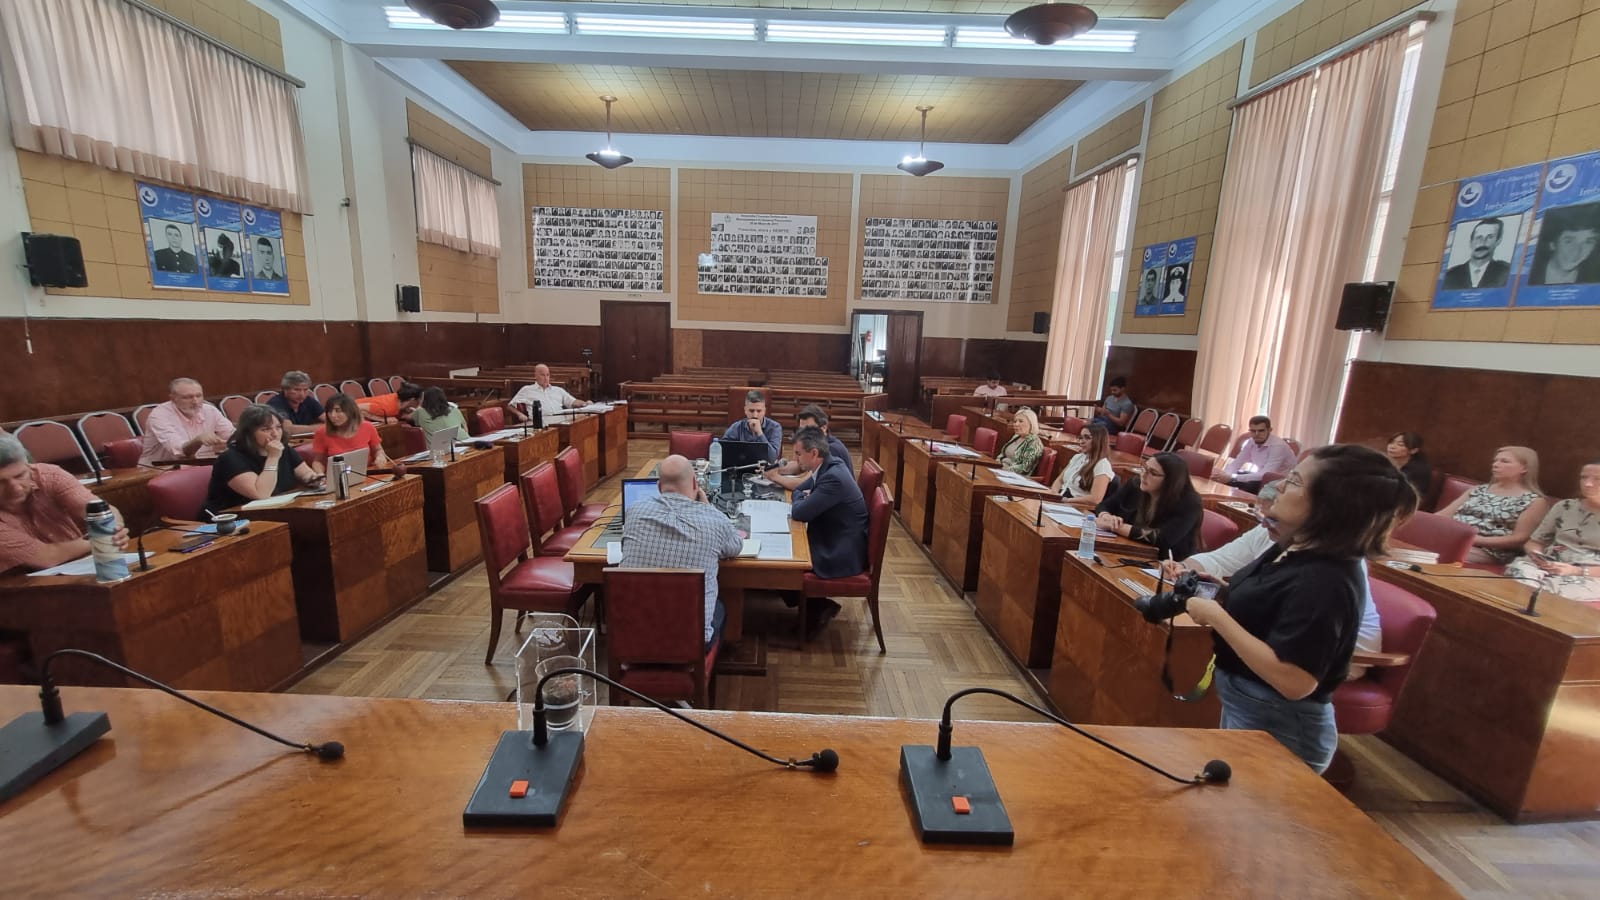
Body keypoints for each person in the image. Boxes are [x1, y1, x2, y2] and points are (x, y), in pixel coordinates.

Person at [1183, 445, 1418, 773]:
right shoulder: (1293, 545)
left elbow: (1294, 681)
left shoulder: (1328, 578)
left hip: (1283, 729)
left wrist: (1215, 616)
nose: (1279, 486)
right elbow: (1275, 605)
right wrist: (1223, 592)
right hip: (1247, 708)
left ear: (1329, 503)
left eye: (1294, 481)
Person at [1160, 481, 1383, 680]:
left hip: (1336, 661)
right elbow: (1222, 559)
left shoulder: (1327, 569)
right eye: (1261, 517)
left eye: (1272, 518)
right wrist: (1186, 567)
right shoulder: (1278, 533)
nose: (1264, 524)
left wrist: (1216, 616)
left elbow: (1296, 676)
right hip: (1279, 647)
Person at [620, 455, 743, 649]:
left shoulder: (634, 511)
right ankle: (704, 664)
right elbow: (735, 546)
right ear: (695, 483)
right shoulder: (714, 520)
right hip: (688, 642)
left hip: (633, 637)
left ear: (659, 487)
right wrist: (707, 507)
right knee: (720, 607)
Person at [0, 433, 128, 573]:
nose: (16, 488)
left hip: (77, 567)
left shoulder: (50, 475)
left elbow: (101, 510)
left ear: (28, 466)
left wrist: (114, 530)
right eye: (1, 482)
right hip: (16, 582)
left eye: (20, 476)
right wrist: (103, 539)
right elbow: (47, 557)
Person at [790, 426, 870, 635]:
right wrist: (803, 497)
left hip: (840, 550)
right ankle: (815, 606)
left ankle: (817, 609)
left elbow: (799, 512)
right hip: (833, 535)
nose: (795, 459)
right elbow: (799, 490)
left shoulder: (833, 477)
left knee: (786, 564)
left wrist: (801, 499)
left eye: (798, 453)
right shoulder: (828, 466)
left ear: (814, 453)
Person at [1436, 446, 1549, 566]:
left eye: (1504, 461)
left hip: (1490, 551)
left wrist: (1475, 540)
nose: (1495, 465)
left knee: (1440, 551)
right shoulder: (1478, 490)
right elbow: (1442, 516)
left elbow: (1520, 539)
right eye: (1495, 461)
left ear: (1524, 468)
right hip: (1454, 539)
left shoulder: (1535, 501)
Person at [1505, 461, 1600, 602]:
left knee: (1546, 591)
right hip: (1548, 564)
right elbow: (1535, 542)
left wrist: (1576, 570)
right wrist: (1538, 557)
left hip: (1588, 575)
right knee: (1520, 574)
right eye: (1584, 477)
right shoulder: (1565, 507)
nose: (1588, 484)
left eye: (1597, 479)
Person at [206, 405, 321, 512]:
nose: (275, 434)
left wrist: (316, 479)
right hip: (232, 517)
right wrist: (273, 457)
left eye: (278, 427)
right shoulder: (230, 458)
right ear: (249, 433)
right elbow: (261, 494)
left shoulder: (284, 449)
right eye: (266, 429)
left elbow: (306, 474)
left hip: (277, 510)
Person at [1095, 452, 1203, 559]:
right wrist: (1106, 516)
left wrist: (1115, 527)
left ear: (1171, 480)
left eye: (1153, 473)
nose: (1144, 475)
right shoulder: (1135, 484)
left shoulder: (1190, 503)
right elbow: (1104, 505)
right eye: (1144, 468)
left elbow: (1162, 539)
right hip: (1129, 549)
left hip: (1167, 562)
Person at [139, 377, 234, 465]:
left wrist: (227, 444)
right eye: (188, 397)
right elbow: (180, 452)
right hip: (159, 469)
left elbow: (232, 435)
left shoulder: (210, 410)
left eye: (199, 396)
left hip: (200, 465)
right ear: (173, 398)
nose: (195, 401)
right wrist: (198, 440)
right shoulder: (159, 415)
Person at [764, 405, 849, 491]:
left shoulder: (831, 449)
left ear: (823, 428)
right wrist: (772, 469)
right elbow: (799, 465)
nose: (803, 435)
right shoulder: (815, 444)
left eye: (808, 430)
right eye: (801, 430)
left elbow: (804, 484)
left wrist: (774, 477)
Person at [310, 393, 390, 476]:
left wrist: (380, 457)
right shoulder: (321, 432)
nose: (332, 415)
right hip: (338, 476)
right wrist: (320, 474)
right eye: (329, 411)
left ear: (350, 411)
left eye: (338, 411)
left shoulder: (368, 427)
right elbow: (318, 461)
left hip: (368, 473)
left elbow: (378, 450)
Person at [1221, 416, 1297, 492]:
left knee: (1247, 484)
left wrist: (1232, 478)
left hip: (1280, 484)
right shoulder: (1251, 441)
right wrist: (1226, 475)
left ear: (1269, 430)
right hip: (1261, 478)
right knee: (1223, 478)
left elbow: (1266, 474)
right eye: (1253, 431)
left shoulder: (1278, 446)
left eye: (1261, 431)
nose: (1256, 434)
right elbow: (1237, 463)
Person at [1529, 207, 1600, 286]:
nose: (1577, 252)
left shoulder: (1594, 279)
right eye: (1569, 241)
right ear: (1552, 244)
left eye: (1588, 242)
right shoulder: (1529, 273)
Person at [1051, 423, 1115, 503]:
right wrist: (1054, 494)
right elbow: (1060, 480)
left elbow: (1095, 499)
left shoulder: (1102, 464)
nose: (1081, 442)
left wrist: (1067, 500)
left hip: (1075, 504)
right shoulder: (1077, 457)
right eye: (1081, 437)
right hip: (1061, 498)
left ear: (1098, 440)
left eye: (1087, 438)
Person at [1442, 218, 1511, 289]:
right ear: (1471, 242)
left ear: (1498, 241)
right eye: (1479, 237)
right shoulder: (1451, 275)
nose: (1483, 242)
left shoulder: (1506, 272)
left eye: (1490, 237)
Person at [722, 390, 783, 462]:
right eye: (751, 411)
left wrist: (760, 433)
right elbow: (723, 450)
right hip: (741, 466)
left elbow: (772, 458)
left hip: (765, 468)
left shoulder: (775, 427)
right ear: (745, 410)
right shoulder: (736, 427)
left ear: (764, 411)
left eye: (759, 411)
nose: (755, 415)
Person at [509, 364, 580, 424]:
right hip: (540, 423)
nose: (546, 378)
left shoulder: (558, 390)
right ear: (535, 376)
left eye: (547, 375)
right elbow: (510, 406)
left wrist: (585, 404)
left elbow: (573, 401)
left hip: (561, 422)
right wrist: (520, 414)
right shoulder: (527, 390)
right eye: (543, 375)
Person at [266, 371, 325, 437]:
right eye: (297, 390)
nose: (302, 394)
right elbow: (289, 430)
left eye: (305, 390)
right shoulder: (276, 404)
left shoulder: (308, 400)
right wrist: (323, 427)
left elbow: (329, 419)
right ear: (285, 389)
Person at [995, 408, 1045, 477]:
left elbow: (1025, 468)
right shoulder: (1016, 436)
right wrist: (996, 464)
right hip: (1000, 470)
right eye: (1015, 421)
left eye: (1021, 421)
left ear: (1031, 423)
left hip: (1013, 476)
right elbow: (1002, 454)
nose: (1016, 424)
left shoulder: (1034, 442)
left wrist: (1004, 470)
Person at [1385, 431, 1431, 497]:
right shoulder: (1387, 463)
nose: (1392, 447)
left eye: (1400, 444)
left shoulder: (1418, 471)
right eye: (1391, 442)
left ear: (1413, 450)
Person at [357, 383, 421, 424]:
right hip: (354, 415)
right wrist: (382, 419)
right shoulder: (387, 407)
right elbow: (356, 407)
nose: (420, 402)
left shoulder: (400, 399)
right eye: (419, 399)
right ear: (412, 400)